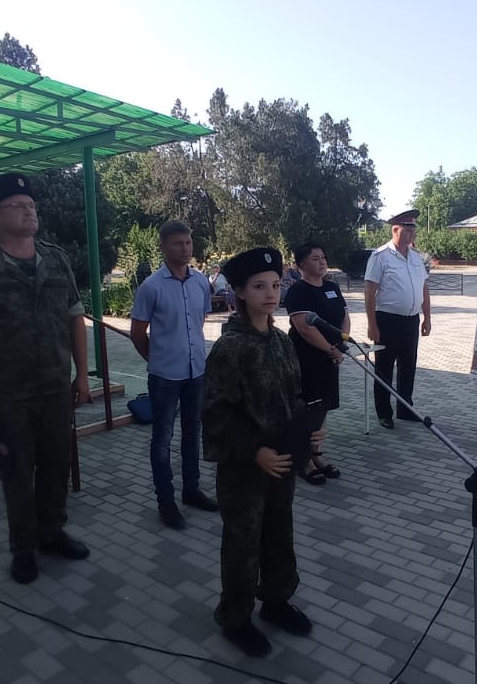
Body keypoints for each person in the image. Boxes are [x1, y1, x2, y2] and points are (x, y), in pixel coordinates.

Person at [0, 172, 93, 584]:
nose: (29, 212)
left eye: (31, 206)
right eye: (18, 206)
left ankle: (52, 532)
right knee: (16, 472)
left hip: (55, 388)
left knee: (57, 465)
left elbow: (75, 318)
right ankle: (23, 548)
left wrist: (82, 375)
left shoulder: (56, 259)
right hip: (7, 394)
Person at [203, 246, 322, 657]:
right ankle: (235, 618)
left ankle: (276, 601)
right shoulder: (230, 348)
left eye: (275, 285)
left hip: (282, 463)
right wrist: (255, 452)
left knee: (278, 535)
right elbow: (216, 415)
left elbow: (293, 397)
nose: (271, 294)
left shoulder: (282, 342)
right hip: (245, 470)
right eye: (259, 286)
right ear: (239, 291)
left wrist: (307, 432)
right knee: (243, 544)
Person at [130, 221, 218, 530]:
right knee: (162, 439)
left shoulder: (200, 282)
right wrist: (158, 358)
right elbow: (137, 333)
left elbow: (199, 320)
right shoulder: (151, 287)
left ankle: (191, 490)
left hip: (196, 372)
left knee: (193, 432)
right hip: (165, 376)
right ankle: (165, 501)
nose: (185, 248)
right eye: (178, 243)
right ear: (164, 247)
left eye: (188, 243)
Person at [282, 242, 347, 485]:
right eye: (315, 258)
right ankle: (303, 460)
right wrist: (330, 349)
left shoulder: (331, 287)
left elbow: (344, 317)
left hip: (330, 356)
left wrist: (340, 344)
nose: (321, 262)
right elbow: (305, 328)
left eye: (323, 257)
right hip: (307, 357)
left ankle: (317, 454)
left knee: (323, 407)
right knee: (308, 408)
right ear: (301, 265)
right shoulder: (298, 291)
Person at [364, 208, 431, 429]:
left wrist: (427, 317)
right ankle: (384, 412)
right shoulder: (380, 256)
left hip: (411, 320)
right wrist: (372, 324)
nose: (412, 234)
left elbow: (424, 288)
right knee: (384, 367)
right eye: (408, 230)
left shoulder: (416, 257)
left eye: (413, 230)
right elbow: (369, 291)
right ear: (395, 230)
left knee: (408, 365)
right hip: (387, 320)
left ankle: (405, 408)